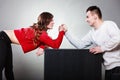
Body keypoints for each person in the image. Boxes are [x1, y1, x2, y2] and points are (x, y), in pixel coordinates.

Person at [0, 12, 67, 80]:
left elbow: (45, 41)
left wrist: (42, 47)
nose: (53, 22)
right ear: (45, 21)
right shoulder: (42, 34)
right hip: (2, 38)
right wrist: (61, 32)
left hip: (5, 40)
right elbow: (55, 45)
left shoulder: (41, 32)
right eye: (51, 20)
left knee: (9, 68)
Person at [65, 6, 120, 80]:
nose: (86, 20)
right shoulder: (92, 33)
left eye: (87, 17)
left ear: (95, 17)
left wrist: (102, 48)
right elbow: (80, 45)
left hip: (118, 67)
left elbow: (117, 38)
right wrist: (66, 32)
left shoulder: (108, 25)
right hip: (108, 69)